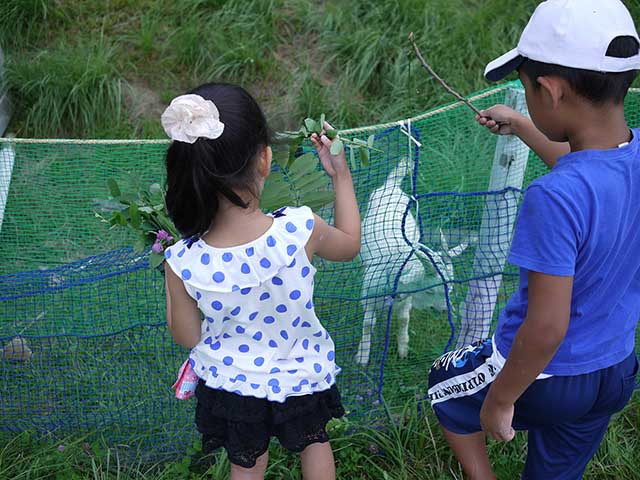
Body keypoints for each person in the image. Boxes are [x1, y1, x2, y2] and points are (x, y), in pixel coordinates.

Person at [427, 1, 640, 478]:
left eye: (528, 90)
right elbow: (591, 171)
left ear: (550, 89)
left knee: (445, 383)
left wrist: (501, 401)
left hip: (547, 377)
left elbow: (546, 326)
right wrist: (524, 125)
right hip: (615, 369)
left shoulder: (553, 196)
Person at [161, 83, 360, 480]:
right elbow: (350, 244)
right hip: (301, 373)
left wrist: (176, 279)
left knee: (246, 466)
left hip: (233, 384)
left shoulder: (182, 259)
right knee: (315, 444)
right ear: (265, 160)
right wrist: (341, 176)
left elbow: (187, 336)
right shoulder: (302, 229)